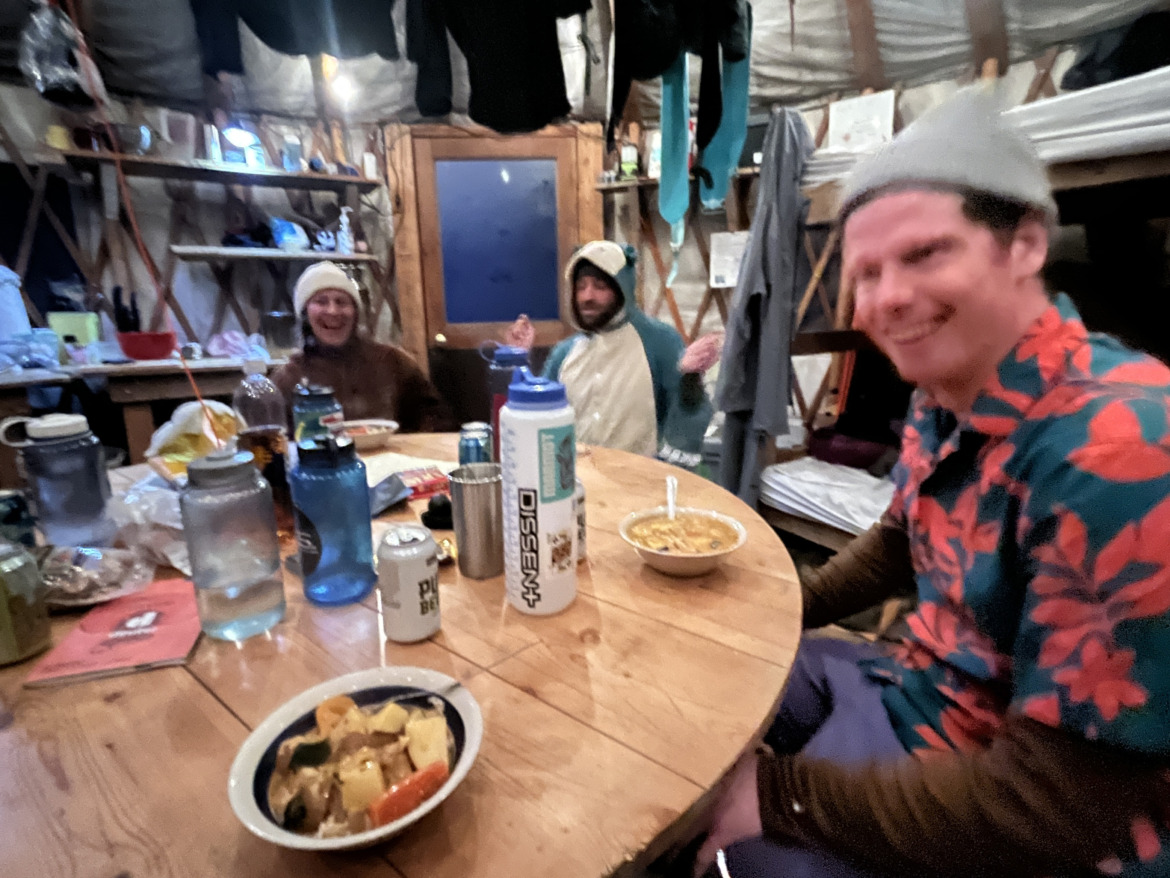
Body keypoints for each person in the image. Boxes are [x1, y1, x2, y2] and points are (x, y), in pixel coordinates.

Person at [694, 88, 1170, 878]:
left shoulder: (1120, 448)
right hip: (912, 685)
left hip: (1027, 808)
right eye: (868, 271)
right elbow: (898, 546)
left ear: (1023, 244)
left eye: (924, 255)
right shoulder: (945, 393)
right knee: (717, 666)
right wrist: (775, 612)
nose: (887, 300)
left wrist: (779, 797)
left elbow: (1055, 804)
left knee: (734, 852)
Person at [542, 240, 712, 460]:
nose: (587, 297)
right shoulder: (563, 354)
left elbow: (690, 414)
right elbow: (538, 413)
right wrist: (515, 361)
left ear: (621, 287)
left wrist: (691, 382)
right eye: (581, 287)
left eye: (600, 286)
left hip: (640, 485)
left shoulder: (661, 342)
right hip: (576, 484)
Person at [271, 261, 455, 432]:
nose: (333, 311)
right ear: (305, 313)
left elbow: (436, 420)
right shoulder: (287, 378)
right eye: (321, 301)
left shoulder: (393, 362)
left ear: (356, 313)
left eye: (341, 302)